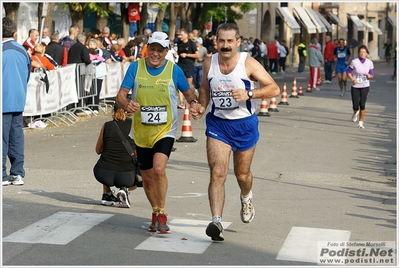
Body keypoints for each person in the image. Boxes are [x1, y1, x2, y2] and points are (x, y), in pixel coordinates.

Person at [190, 23, 280, 242]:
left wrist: (249, 93)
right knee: (218, 171)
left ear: (238, 42)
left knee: (242, 174)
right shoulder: (209, 62)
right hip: (218, 125)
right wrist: (201, 105)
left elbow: (274, 88)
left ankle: (246, 196)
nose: (226, 45)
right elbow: (205, 89)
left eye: (230, 41)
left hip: (244, 124)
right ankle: (216, 221)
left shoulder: (247, 63)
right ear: (216, 41)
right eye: (222, 41)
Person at [115, 31, 199, 234]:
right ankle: (155, 210)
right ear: (147, 49)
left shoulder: (174, 70)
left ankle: (162, 212)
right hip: (141, 131)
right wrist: (127, 105)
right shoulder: (136, 67)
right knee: (147, 177)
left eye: (160, 50)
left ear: (166, 51)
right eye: (152, 49)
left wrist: (195, 104)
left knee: (159, 169)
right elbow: (120, 96)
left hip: (165, 129)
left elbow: (189, 93)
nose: (155, 53)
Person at [2, 17, 32, 186]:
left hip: (3, 100)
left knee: (3, 139)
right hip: (18, 99)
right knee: (16, 138)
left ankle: (2, 174)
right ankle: (17, 173)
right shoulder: (23, 51)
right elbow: (27, 75)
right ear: (15, 32)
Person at [94, 102, 139, 207]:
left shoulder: (107, 125)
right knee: (141, 173)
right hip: (127, 177)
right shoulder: (135, 125)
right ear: (131, 111)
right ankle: (124, 189)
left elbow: (98, 150)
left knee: (107, 159)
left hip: (102, 173)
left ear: (113, 111)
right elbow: (139, 152)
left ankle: (107, 194)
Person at [346, 45, 374, 129]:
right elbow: (348, 72)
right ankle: (355, 112)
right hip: (355, 85)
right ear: (358, 53)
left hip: (365, 85)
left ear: (367, 53)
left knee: (362, 104)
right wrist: (352, 79)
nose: (362, 54)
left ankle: (361, 122)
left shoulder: (369, 63)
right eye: (361, 52)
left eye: (364, 52)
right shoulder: (354, 62)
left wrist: (369, 76)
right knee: (355, 105)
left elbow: (372, 75)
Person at [176, 28, 200, 108]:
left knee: (189, 85)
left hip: (189, 65)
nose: (179, 36)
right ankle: (181, 102)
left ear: (186, 35)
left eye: (181, 35)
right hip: (180, 65)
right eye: (179, 35)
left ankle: (191, 98)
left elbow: (197, 55)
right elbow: (178, 52)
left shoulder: (191, 44)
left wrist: (186, 55)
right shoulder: (178, 43)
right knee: (180, 83)